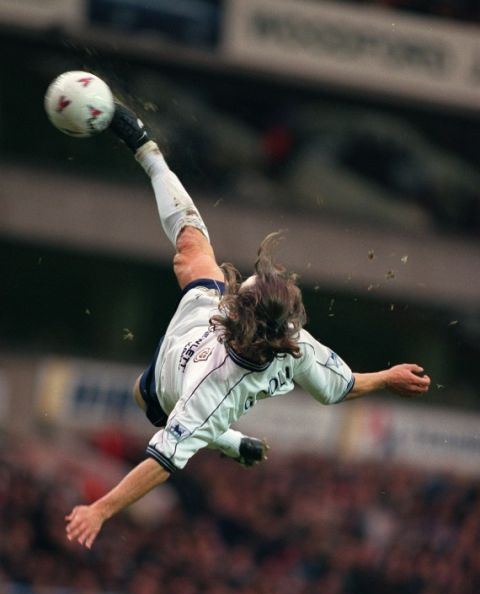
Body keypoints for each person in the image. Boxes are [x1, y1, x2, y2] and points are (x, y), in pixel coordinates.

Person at [65, 103, 431, 549]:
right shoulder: (293, 342)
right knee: (191, 243)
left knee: (146, 399)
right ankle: (145, 146)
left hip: (168, 385)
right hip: (202, 322)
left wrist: (99, 509)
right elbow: (341, 386)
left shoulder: (210, 389)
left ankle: (229, 441)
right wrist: (387, 377)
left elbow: (160, 463)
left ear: (243, 313)